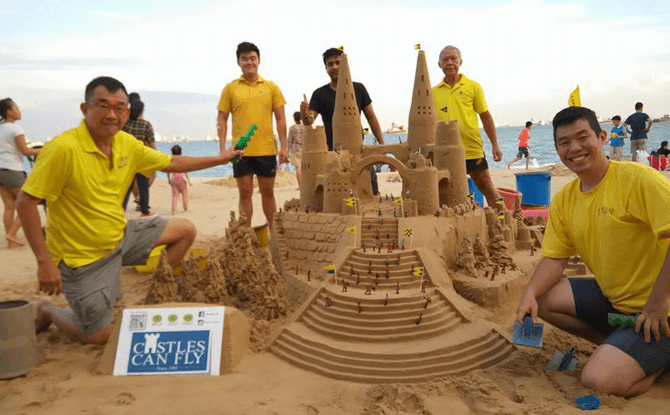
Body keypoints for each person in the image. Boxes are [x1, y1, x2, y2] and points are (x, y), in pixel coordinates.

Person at [19, 76, 242, 345]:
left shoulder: (126, 143)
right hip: (82, 258)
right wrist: (44, 262)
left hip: (120, 236)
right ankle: (48, 310)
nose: (112, 115)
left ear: (127, 112)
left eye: (119, 108)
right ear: (85, 108)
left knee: (185, 230)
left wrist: (220, 159)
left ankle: (153, 296)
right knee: (98, 335)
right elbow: (26, 202)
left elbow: (171, 162)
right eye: (103, 106)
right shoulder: (62, 149)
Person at [515, 106, 670, 397]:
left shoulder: (638, 179)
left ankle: (654, 362)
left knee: (598, 380)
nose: (574, 148)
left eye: (582, 137)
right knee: (544, 297)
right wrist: (529, 294)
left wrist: (658, 301)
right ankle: (616, 345)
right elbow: (555, 258)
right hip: (617, 300)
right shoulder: (565, 200)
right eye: (564, 142)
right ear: (558, 149)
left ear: (601, 137)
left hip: (661, 308)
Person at [217, 42, 287, 228]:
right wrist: (222, 148)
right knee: (245, 193)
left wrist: (284, 147)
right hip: (240, 152)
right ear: (238, 62)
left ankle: (274, 233)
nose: (249, 62)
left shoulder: (271, 87)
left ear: (259, 61)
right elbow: (222, 118)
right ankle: (245, 233)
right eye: (244, 58)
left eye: (252, 58)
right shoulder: (230, 88)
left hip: (266, 150)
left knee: (268, 193)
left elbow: (280, 118)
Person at [300, 47, 386, 196]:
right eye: (330, 64)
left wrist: (381, 143)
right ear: (326, 68)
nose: (335, 67)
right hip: (332, 151)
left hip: (358, 149)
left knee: (369, 189)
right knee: (338, 192)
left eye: (338, 63)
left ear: (345, 64)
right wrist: (304, 113)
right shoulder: (319, 94)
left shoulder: (358, 88)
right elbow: (309, 121)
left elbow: (371, 116)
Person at [433, 46, 503, 210]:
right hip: (443, 152)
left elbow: (485, 116)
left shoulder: (473, 87)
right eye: (445, 59)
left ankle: (504, 215)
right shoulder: (432, 92)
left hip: (471, 148)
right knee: (443, 191)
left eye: (453, 58)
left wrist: (495, 145)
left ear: (460, 62)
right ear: (439, 64)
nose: (450, 63)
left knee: (486, 185)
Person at [0, 98, 40, 248]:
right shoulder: (15, 129)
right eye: (16, 108)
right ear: (10, 112)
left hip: (1, 171)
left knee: (9, 207)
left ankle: (11, 242)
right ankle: (11, 234)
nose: (19, 110)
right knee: (28, 203)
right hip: (12, 170)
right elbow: (25, 151)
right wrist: (46, 150)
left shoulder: (1, 128)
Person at [121, 98, 157, 216]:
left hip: (126, 158)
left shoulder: (124, 124)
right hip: (141, 159)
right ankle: (145, 212)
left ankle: (122, 210)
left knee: (127, 187)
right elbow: (151, 144)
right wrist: (155, 157)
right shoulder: (145, 125)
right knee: (143, 186)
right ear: (141, 111)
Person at [168, 145, 192, 214]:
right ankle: (185, 209)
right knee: (184, 194)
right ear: (181, 152)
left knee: (175, 196)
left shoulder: (171, 160)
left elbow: (168, 170)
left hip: (174, 179)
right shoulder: (182, 160)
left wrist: (168, 179)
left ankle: (173, 210)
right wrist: (189, 181)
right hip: (181, 180)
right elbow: (185, 171)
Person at [287, 111, 304, 186]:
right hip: (304, 149)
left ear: (294, 118)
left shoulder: (292, 128)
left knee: (298, 168)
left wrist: (287, 152)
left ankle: (300, 185)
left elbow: (290, 140)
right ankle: (304, 185)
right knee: (305, 168)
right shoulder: (305, 127)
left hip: (295, 149)